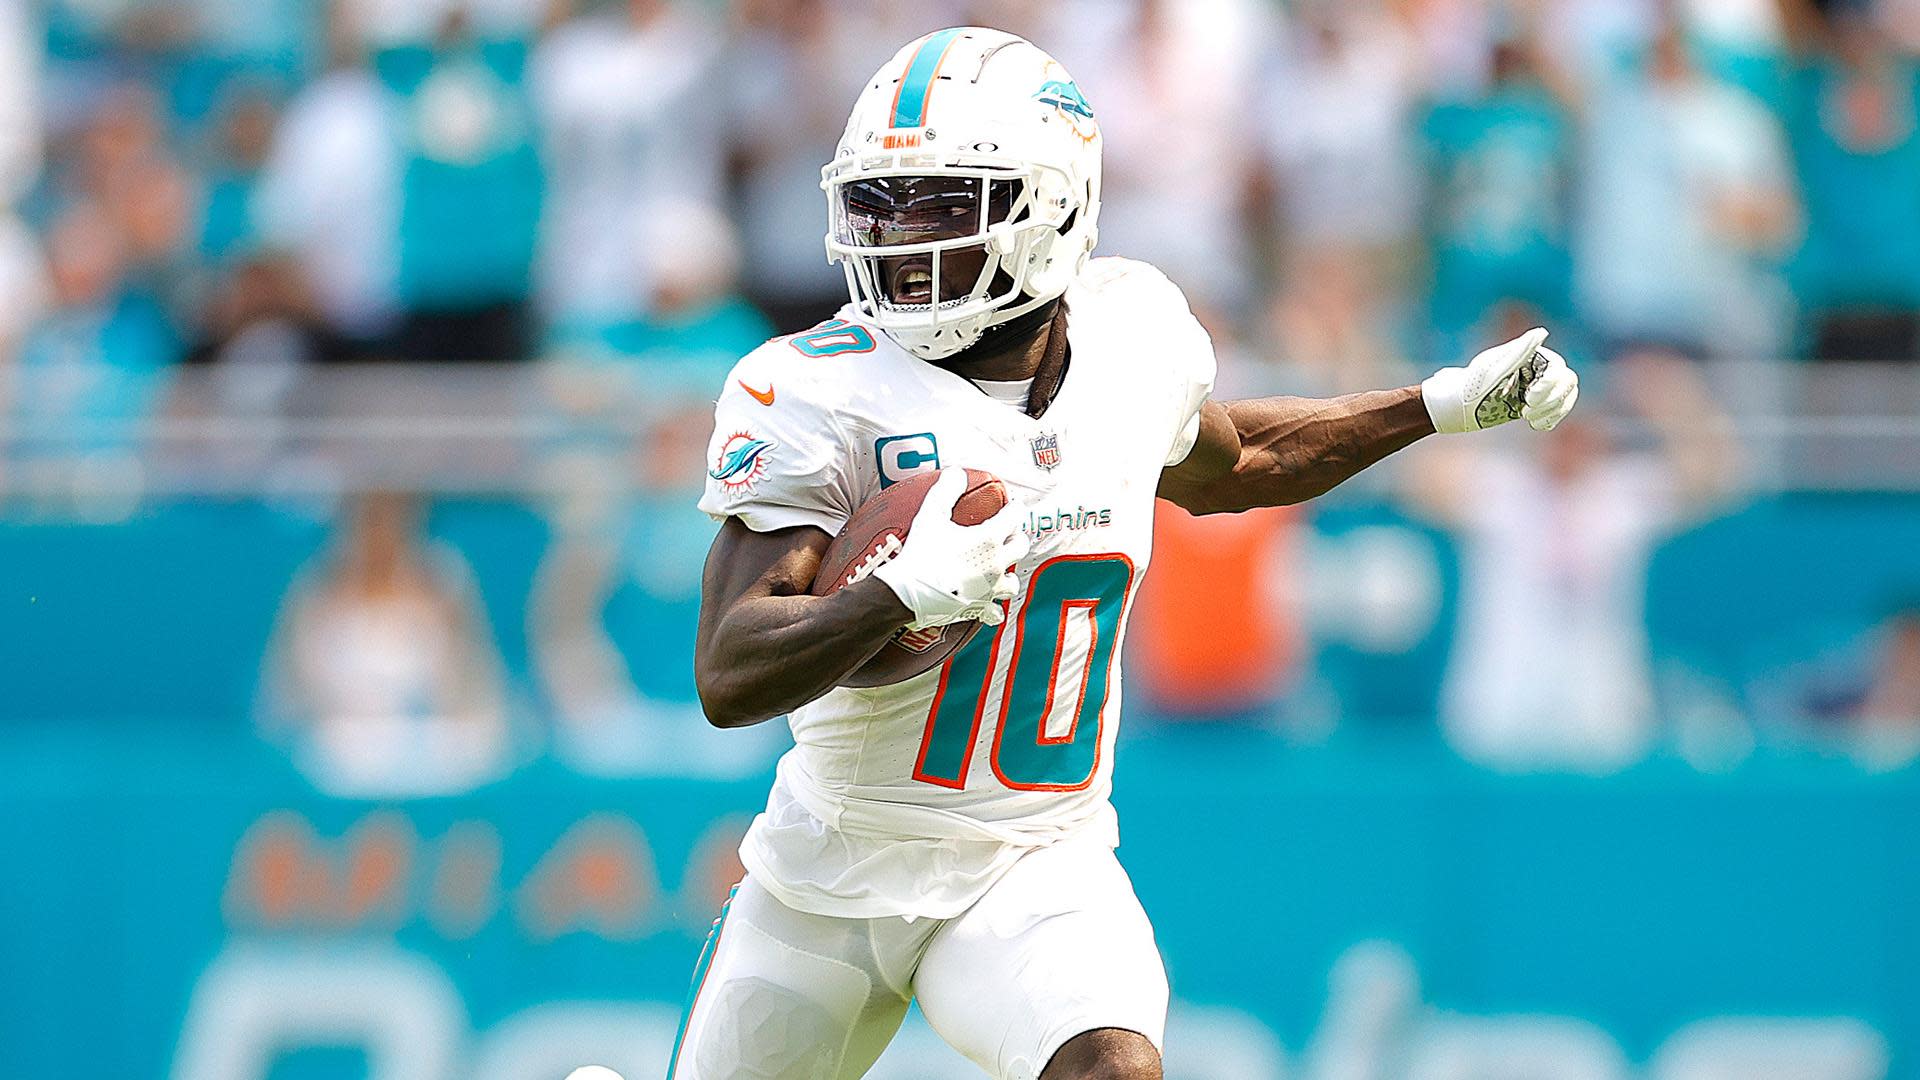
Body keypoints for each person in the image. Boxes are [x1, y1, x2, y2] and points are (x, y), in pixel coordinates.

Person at [678, 28, 1580, 1080]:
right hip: (830, 875)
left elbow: (1240, 463)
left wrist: (1432, 405)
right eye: (877, 203)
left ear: (1048, 208)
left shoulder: (1132, 337)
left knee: (1112, 1067)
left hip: (1032, 862)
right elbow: (728, 671)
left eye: (936, 204)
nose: (895, 238)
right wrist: (893, 597)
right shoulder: (817, 388)